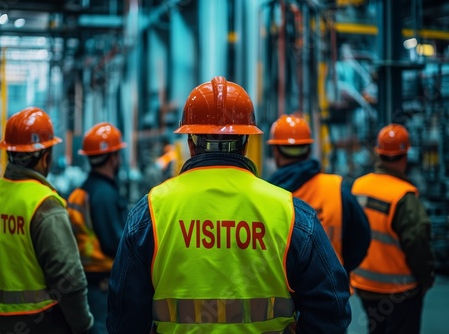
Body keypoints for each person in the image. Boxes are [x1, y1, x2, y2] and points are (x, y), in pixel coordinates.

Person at [107, 76, 351, 333]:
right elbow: (332, 308)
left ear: (190, 143)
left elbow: (123, 315)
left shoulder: (151, 213)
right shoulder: (290, 213)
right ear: (246, 144)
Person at [0, 106, 94, 334]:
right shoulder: (44, 202)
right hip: (43, 325)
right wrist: (84, 326)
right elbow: (69, 280)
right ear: (45, 158)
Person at [350, 123, 435, 334]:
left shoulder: (357, 186)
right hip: (400, 290)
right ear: (405, 156)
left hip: (364, 284)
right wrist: (426, 278)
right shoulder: (403, 196)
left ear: (378, 154)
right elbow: (417, 243)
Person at [265, 114, 371, 274]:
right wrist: (338, 270)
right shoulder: (337, 188)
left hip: (284, 292)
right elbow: (361, 239)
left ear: (276, 151)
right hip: (332, 292)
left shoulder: (267, 195)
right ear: (308, 149)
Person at [67, 122, 128, 334]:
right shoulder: (104, 195)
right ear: (112, 158)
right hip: (101, 287)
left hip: (85, 283)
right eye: (118, 154)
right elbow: (116, 244)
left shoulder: (82, 191)